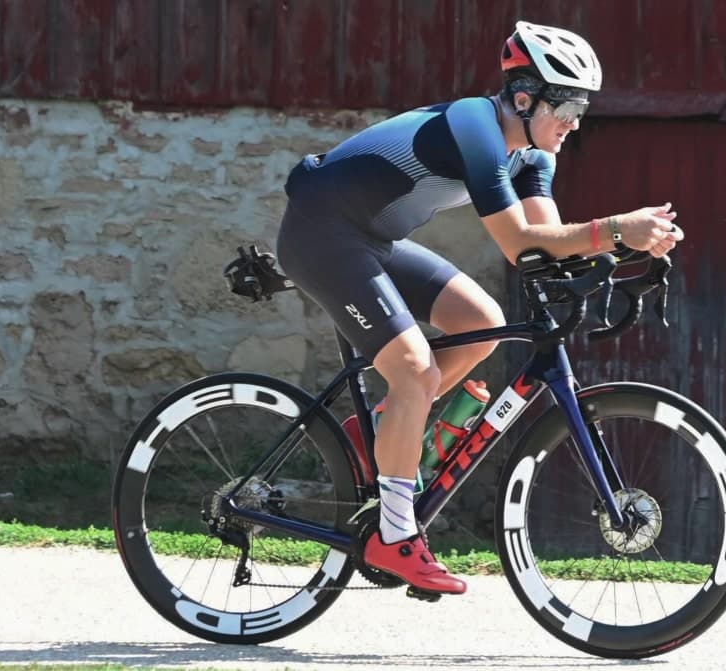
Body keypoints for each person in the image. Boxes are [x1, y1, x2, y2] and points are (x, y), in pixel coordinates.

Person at [274, 21, 683, 595]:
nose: (573, 123)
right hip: (322, 232)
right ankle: (393, 536)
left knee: (482, 323)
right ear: (523, 97)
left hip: (370, 239)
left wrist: (623, 250)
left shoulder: (534, 157)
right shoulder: (475, 125)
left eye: (581, 110)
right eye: (566, 106)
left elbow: (546, 245)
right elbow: (520, 244)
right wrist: (619, 228)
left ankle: (382, 434)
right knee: (414, 368)